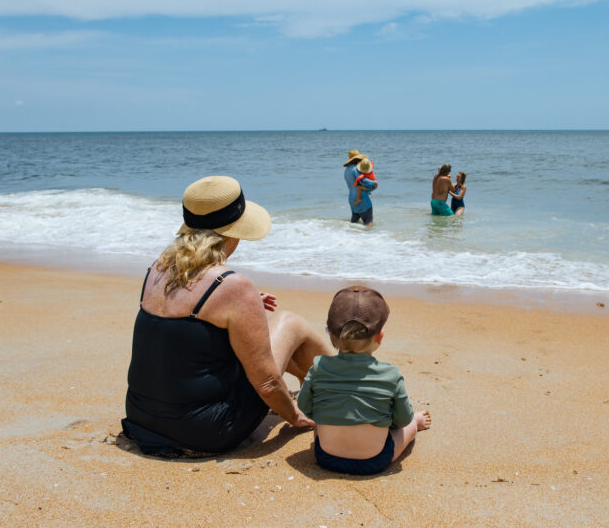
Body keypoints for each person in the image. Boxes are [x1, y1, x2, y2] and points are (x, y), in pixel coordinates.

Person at [122, 176, 334, 457]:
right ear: (233, 232)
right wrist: (293, 416)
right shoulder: (232, 285)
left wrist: (242, 306)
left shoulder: (157, 268)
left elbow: (182, 334)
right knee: (289, 322)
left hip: (142, 418)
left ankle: (328, 385)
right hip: (206, 431)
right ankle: (346, 385)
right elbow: (267, 383)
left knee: (262, 334)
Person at [297, 286, 431, 475]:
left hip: (325, 456)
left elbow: (304, 405)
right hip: (374, 461)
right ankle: (418, 424)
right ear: (380, 337)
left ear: (331, 335)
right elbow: (401, 419)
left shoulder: (319, 367)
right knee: (409, 424)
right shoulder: (390, 374)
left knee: (324, 415)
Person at [347, 154, 377, 226]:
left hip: (351, 199)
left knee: (354, 223)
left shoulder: (347, 169)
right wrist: (374, 184)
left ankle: (350, 236)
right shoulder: (356, 169)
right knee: (368, 222)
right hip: (362, 200)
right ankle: (370, 236)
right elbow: (362, 182)